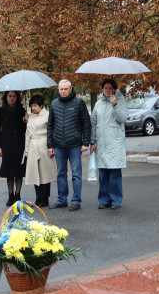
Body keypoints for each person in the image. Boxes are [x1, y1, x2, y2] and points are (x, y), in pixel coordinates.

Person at [47, 79, 91, 211]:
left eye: (66, 89)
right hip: (59, 145)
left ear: (71, 89)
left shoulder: (79, 103)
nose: (63, 91)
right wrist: (50, 145)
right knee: (61, 173)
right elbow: (50, 126)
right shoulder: (54, 104)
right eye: (61, 89)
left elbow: (86, 124)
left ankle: (76, 200)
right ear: (58, 90)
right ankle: (61, 200)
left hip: (75, 145)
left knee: (76, 174)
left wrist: (85, 142)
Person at [90, 79, 128, 210]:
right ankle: (104, 199)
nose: (107, 90)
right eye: (105, 88)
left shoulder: (120, 101)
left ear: (114, 90)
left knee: (114, 173)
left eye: (110, 88)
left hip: (115, 143)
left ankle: (116, 200)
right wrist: (92, 141)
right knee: (103, 173)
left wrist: (115, 104)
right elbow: (93, 123)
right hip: (101, 143)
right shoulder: (98, 104)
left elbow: (122, 118)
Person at [0, 90, 28, 206]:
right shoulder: (1, 111)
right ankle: (10, 194)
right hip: (7, 145)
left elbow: (27, 129)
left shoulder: (22, 111)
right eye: (10, 96)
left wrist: (27, 121)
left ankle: (18, 194)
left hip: (20, 145)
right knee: (9, 172)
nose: (12, 98)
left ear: (17, 98)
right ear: (6, 97)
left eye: (14, 96)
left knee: (18, 172)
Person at [23, 94, 57, 207]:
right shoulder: (31, 116)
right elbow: (28, 134)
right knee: (34, 172)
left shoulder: (48, 115)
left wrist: (51, 147)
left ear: (41, 106)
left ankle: (45, 198)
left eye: (35, 106)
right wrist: (26, 149)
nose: (33, 108)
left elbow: (52, 132)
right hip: (33, 146)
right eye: (31, 106)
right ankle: (38, 197)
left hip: (43, 145)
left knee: (45, 173)